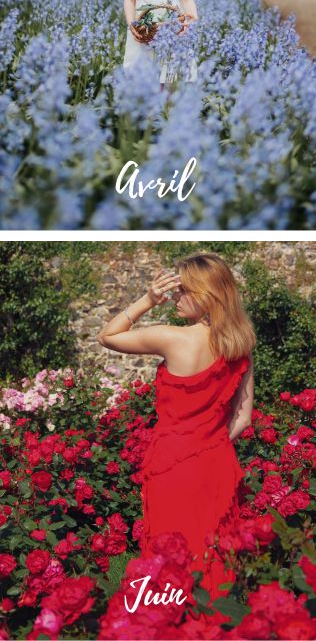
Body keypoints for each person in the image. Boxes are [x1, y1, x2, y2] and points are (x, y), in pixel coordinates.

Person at [97, 253, 256, 602]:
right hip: (216, 465)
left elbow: (108, 336)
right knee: (214, 556)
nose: (175, 297)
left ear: (206, 295)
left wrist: (147, 300)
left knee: (171, 556)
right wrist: (209, 443)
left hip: (172, 466)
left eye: (184, 290)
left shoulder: (172, 338)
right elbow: (243, 417)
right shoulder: (241, 345)